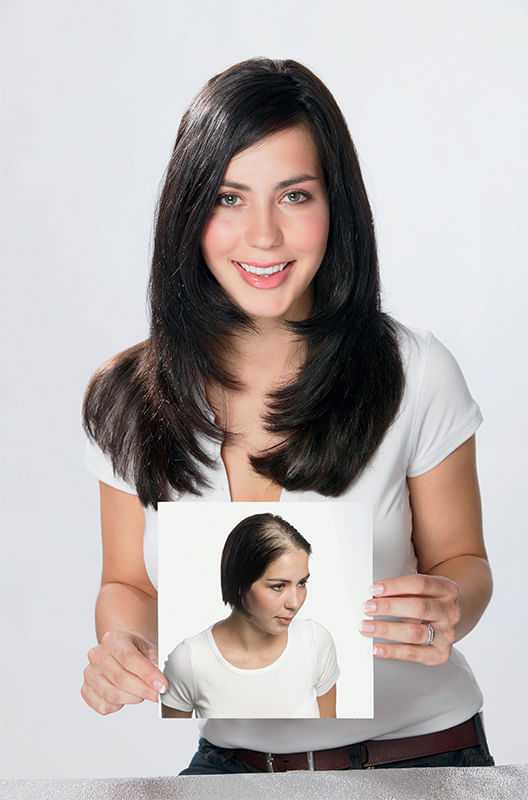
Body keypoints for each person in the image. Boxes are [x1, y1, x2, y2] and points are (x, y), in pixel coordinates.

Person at [81, 57, 495, 773]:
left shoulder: (414, 370)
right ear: (187, 212)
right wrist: (124, 646)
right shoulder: (126, 394)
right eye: (229, 198)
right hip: (232, 766)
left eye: (295, 196)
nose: (264, 236)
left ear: (335, 205)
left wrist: (447, 604)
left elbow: (464, 562)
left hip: (420, 761)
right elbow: (128, 584)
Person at [161, 512, 339, 719]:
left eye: (301, 583)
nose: (295, 602)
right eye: (278, 586)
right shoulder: (189, 660)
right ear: (240, 583)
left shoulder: (316, 642)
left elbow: (329, 736)